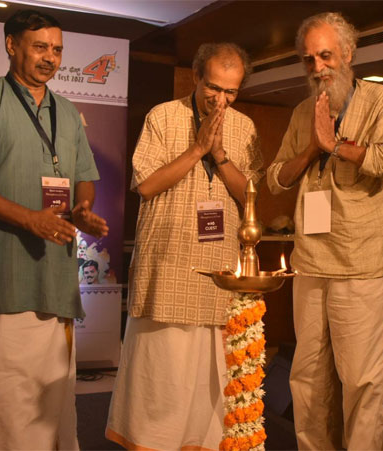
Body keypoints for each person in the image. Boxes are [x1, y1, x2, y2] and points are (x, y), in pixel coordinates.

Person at [106, 43, 264, 450]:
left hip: (220, 269)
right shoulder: (162, 116)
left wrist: (221, 155)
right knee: (163, 374)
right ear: (195, 76)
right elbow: (146, 185)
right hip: (168, 264)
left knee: (209, 379)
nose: (221, 99)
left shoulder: (245, 126)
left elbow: (250, 195)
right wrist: (197, 149)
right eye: (213, 88)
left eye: (231, 91)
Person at [0, 9, 108, 450]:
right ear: (11, 45)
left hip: (55, 281)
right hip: (0, 279)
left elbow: (84, 177)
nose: (50, 57)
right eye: (40, 47)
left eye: (57, 49)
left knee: (52, 408)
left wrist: (83, 210)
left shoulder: (67, 111)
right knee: (1, 407)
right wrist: (30, 219)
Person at [267, 12, 383, 450]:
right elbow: (275, 178)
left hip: (362, 262)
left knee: (361, 378)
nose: (317, 67)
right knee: (307, 375)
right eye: (308, 59)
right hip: (311, 260)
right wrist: (312, 149)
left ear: (348, 53)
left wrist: (336, 146)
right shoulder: (302, 111)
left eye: (325, 55)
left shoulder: (380, 99)